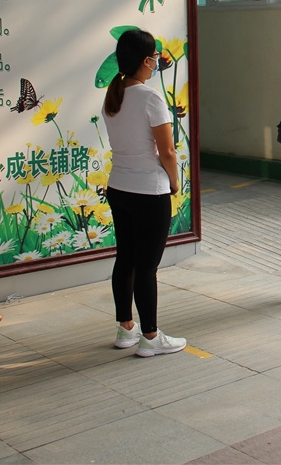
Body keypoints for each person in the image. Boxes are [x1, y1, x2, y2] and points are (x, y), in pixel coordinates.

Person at [102, 29, 186, 356]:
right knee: (147, 267)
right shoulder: (150, 98)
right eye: (153, 57)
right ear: (145, 61)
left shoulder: (114, 94)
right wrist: (174, 182)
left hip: (119, 187)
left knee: (126, 259)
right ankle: (150, 337)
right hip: (149, 192)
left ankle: (126, 329)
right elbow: (167, 151)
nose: (155, 62)